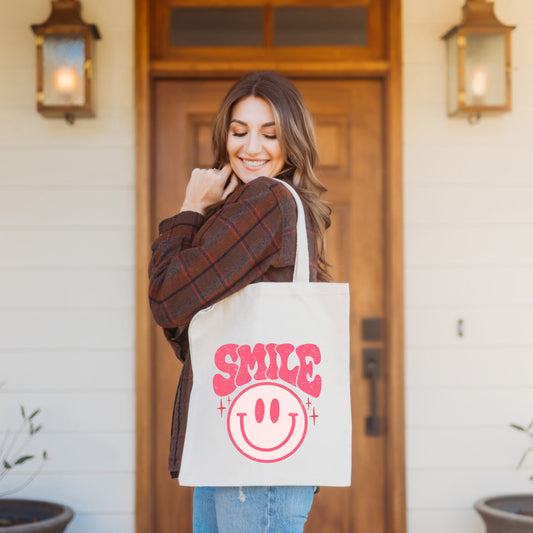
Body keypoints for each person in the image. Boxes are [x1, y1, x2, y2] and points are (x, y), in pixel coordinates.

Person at [149, 70, 331, 533]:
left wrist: (191, 207)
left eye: (270, 134)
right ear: (224, 136)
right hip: (237, 435)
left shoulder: (268, 201)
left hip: (254, 444)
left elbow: (168, 300)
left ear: (292, 142)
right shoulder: (252, 207)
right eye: (239, 131)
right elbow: (192, 325)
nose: (251, 147)